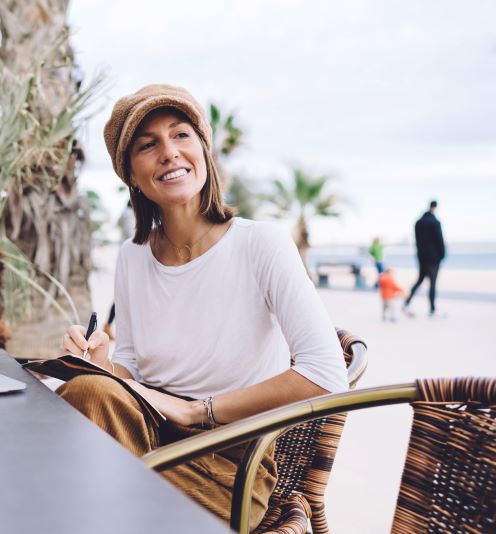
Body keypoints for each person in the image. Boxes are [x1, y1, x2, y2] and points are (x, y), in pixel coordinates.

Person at [57, 84, 347, 529]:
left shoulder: (260, 243)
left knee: (72, 481)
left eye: (181, 135)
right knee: (86, 391)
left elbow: (327, 373)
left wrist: (198, 410)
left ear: (204, 152)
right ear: (131, 175)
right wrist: (101, 364)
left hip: (229, 464)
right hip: (143, 429)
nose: (169, 152)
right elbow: (131, 367)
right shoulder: (133, 256)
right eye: (148, 144)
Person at [403, 200, 445, 317]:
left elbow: (418, 241)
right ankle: (432, 309)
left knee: (420, 280)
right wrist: (442, 255)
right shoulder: (435, 222)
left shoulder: (418, 223)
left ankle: (406, 303)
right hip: (433, 259)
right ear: (435, 207)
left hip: (422, 258)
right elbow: (439, 240)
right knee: (432, 283)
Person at [103, 200, 135, 340]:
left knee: (124, 294)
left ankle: (109, 325)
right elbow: (132, 237)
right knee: (124, 295)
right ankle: (109, 326)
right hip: (131, 260)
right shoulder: (128, 215)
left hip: (127, 259)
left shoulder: (126, 214)